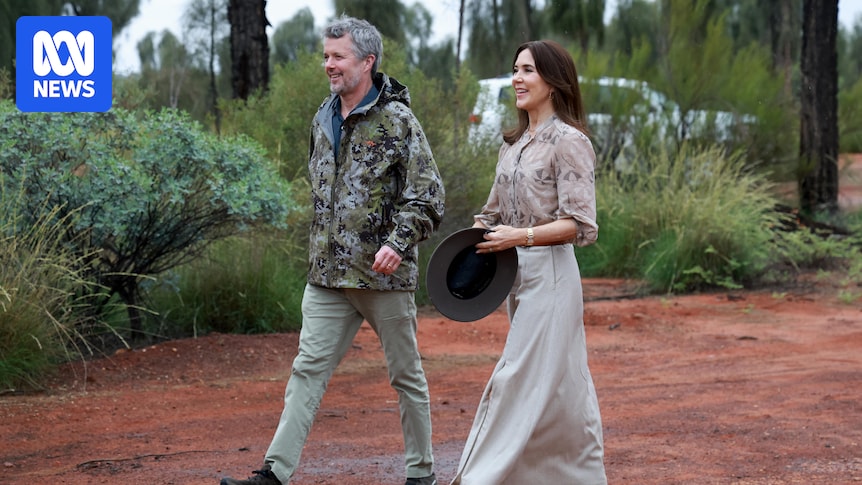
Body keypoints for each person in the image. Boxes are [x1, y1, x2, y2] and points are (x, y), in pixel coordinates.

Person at [220, 15, 444, 485]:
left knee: (406, 377)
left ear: (367, 61)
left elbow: (428, 196)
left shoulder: (398, 119)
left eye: (338, 56)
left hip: (383, 278)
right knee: (306, 373)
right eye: (326, 56)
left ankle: (422, 475)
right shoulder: (323, 117)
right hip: (326, 278)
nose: (329, 64)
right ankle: (274, 474)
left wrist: (397, 244)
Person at [450, 40, 607, 484]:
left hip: (552, 275)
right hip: (515, 277)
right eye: (515, 69)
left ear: (553, 81)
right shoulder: (514, 144)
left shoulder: (569, 142)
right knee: (563, 385)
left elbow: (580, 224)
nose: (517, 79)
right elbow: (491, 214)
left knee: (514, 377)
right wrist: (465, 251)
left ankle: (478, 477)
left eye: (528, 71)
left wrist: (520, 237)